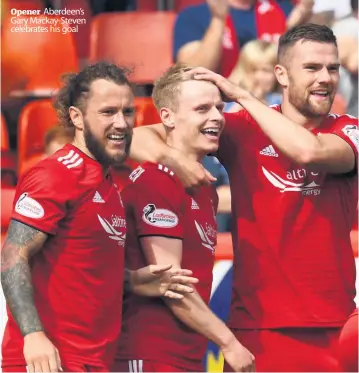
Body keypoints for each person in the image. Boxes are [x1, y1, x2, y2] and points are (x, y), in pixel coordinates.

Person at [130, 24, 358, 372]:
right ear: (281, 74)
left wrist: (245, 97)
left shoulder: (347, 129)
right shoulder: (240, 130)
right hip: (258, 326)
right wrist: (174, 160)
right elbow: (130, 139)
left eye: (332, 68)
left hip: (337, 323)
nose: (324, 78)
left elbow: (308, 151)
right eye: (311, 68)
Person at [0, 62, 198, 373]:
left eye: (127, 112)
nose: (121, 123)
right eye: (108, 112)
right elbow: (12, 256)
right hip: (50, 361)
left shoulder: (109, 184)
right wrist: (33, 335)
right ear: (76, 118)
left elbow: (77, 264)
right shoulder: (54, 175)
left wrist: (131, 280)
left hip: (94, 362)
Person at [112, 64, 255, 373]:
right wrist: (228, 342)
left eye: (218, 108)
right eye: (202, 108)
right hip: (148, 354)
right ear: (167, 116)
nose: (217, 116)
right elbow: (171, 282)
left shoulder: (204, 189)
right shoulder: (158, 181)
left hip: (182, 355)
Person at [173, 0, 313, 78]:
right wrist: (218, 20)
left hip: (273, 100)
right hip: (221, 103)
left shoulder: (282, 9)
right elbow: (191, 73)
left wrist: (292, 29)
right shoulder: (194, 15)